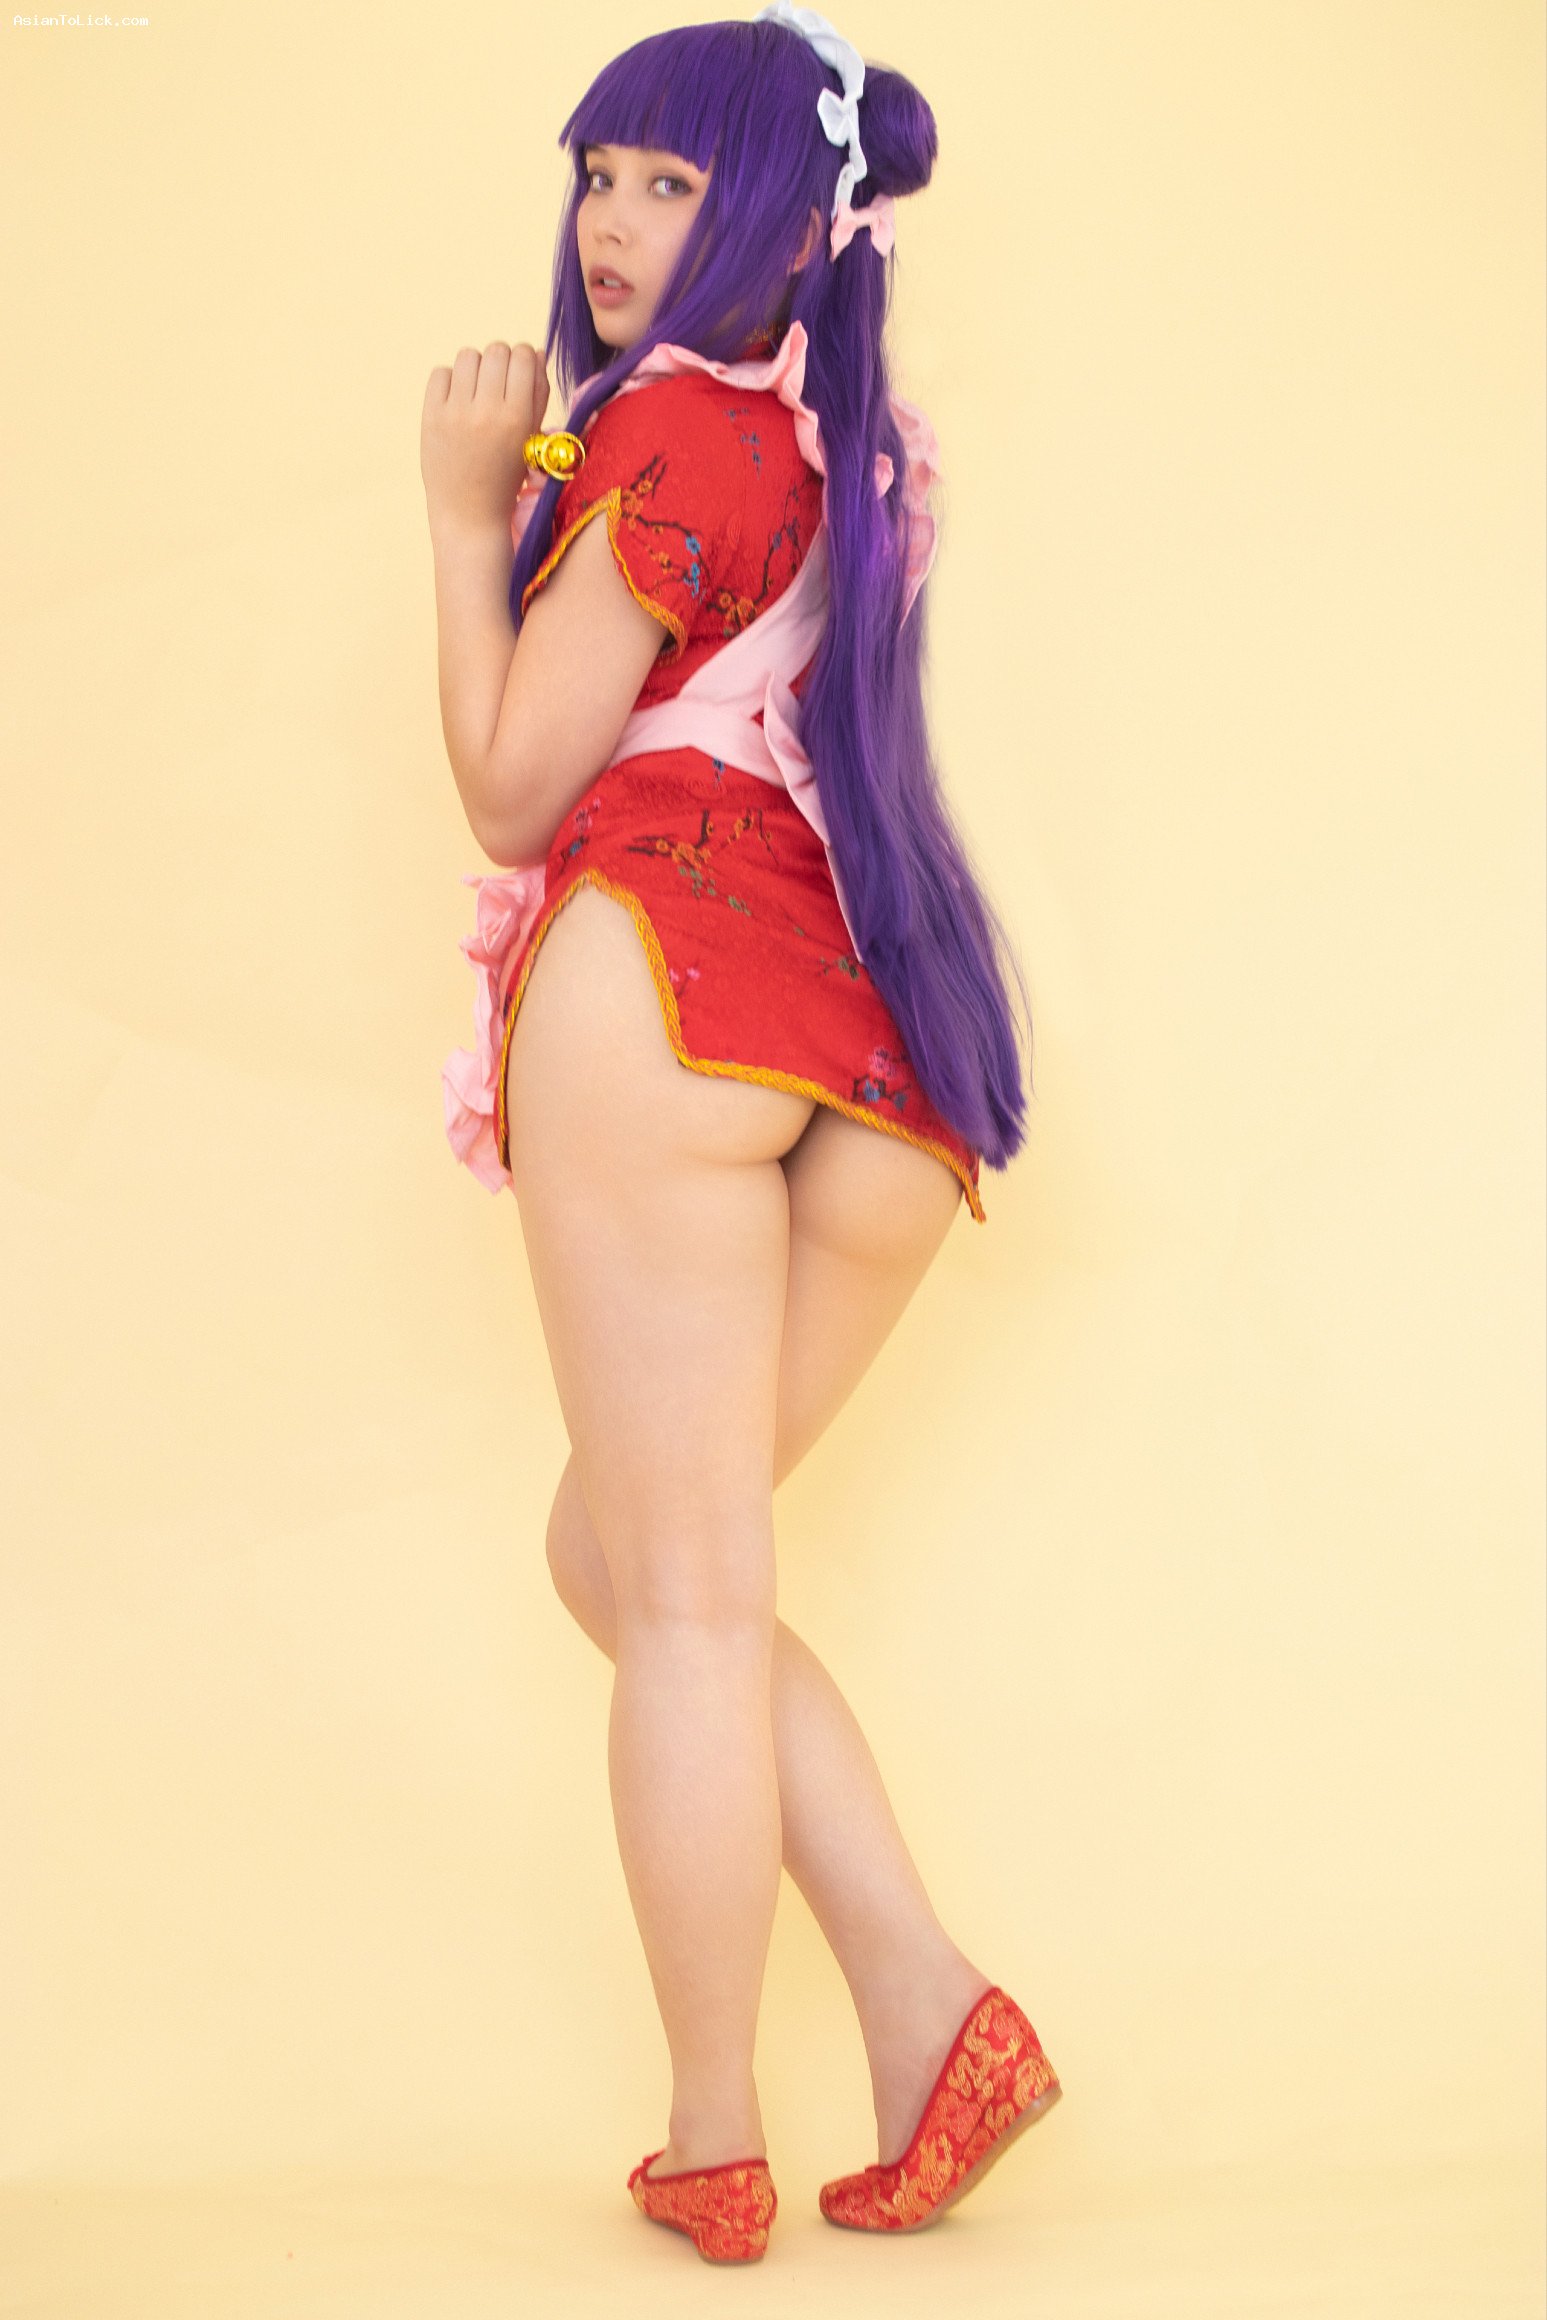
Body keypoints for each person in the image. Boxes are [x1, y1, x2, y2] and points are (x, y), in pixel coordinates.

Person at [421, 1, 1061, 2266]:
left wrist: (462, 518)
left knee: (679, 1592)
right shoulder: (825, 443)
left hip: (671, 984)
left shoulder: (676, 431)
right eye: (598, 172)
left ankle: (711, 2131)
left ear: (784, 223)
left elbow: (515, 785)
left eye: (670, 182)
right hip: (857, 1050)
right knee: (629, 1559)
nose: (612, 221)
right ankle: (929, 2002)